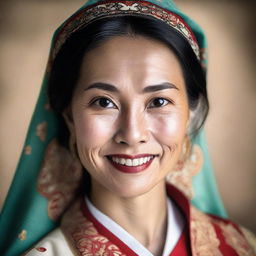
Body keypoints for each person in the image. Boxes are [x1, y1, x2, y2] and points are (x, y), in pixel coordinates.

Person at [0, 0, 255, 255]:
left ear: (190, 114)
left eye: (158, 101)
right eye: (104, 102)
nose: (132, 135)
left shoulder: (241, 246)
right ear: (69, 118)